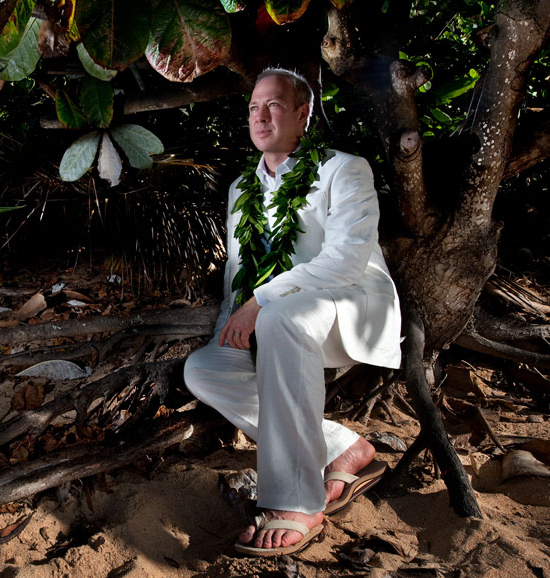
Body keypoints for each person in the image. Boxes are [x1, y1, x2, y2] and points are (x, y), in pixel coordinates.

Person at [183, 67, 402, 556]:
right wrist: (230, 327)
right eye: (254, 107)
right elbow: (238, 277)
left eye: (274, 105)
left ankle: (296, 501)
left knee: (283, 315)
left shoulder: (344, 169)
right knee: (203, 369)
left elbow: (345, 260)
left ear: (302, 114)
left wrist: (262, 302)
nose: (261, 116)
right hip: (275, 319)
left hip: (351, 304)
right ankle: (341, 446)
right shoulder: (243, 188)